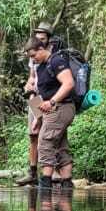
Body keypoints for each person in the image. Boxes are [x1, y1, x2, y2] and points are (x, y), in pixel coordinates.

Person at [27, 36, 76, 188]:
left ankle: (45, 184)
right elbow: (40, 95)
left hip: (61, 107)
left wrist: (53, 101)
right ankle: (67, 183)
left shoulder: (57, 61)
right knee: (60, 144)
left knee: (45, 142)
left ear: (41, 49)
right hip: (50, 111)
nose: (33, 59)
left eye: (34, 55)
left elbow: (69, 84)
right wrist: (37, 118)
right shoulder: (40, 66)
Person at [17, 22, 57, 187]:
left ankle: (53, 172)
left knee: (49, 135)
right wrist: (29, 85)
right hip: (35, 97)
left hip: (51, 99)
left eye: (42, 37)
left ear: (48, 39)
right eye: (37, 36)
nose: (39, 39)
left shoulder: (55, 55)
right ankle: (32, 171)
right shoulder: (33, 57)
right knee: (33, 134)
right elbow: (32, 76)